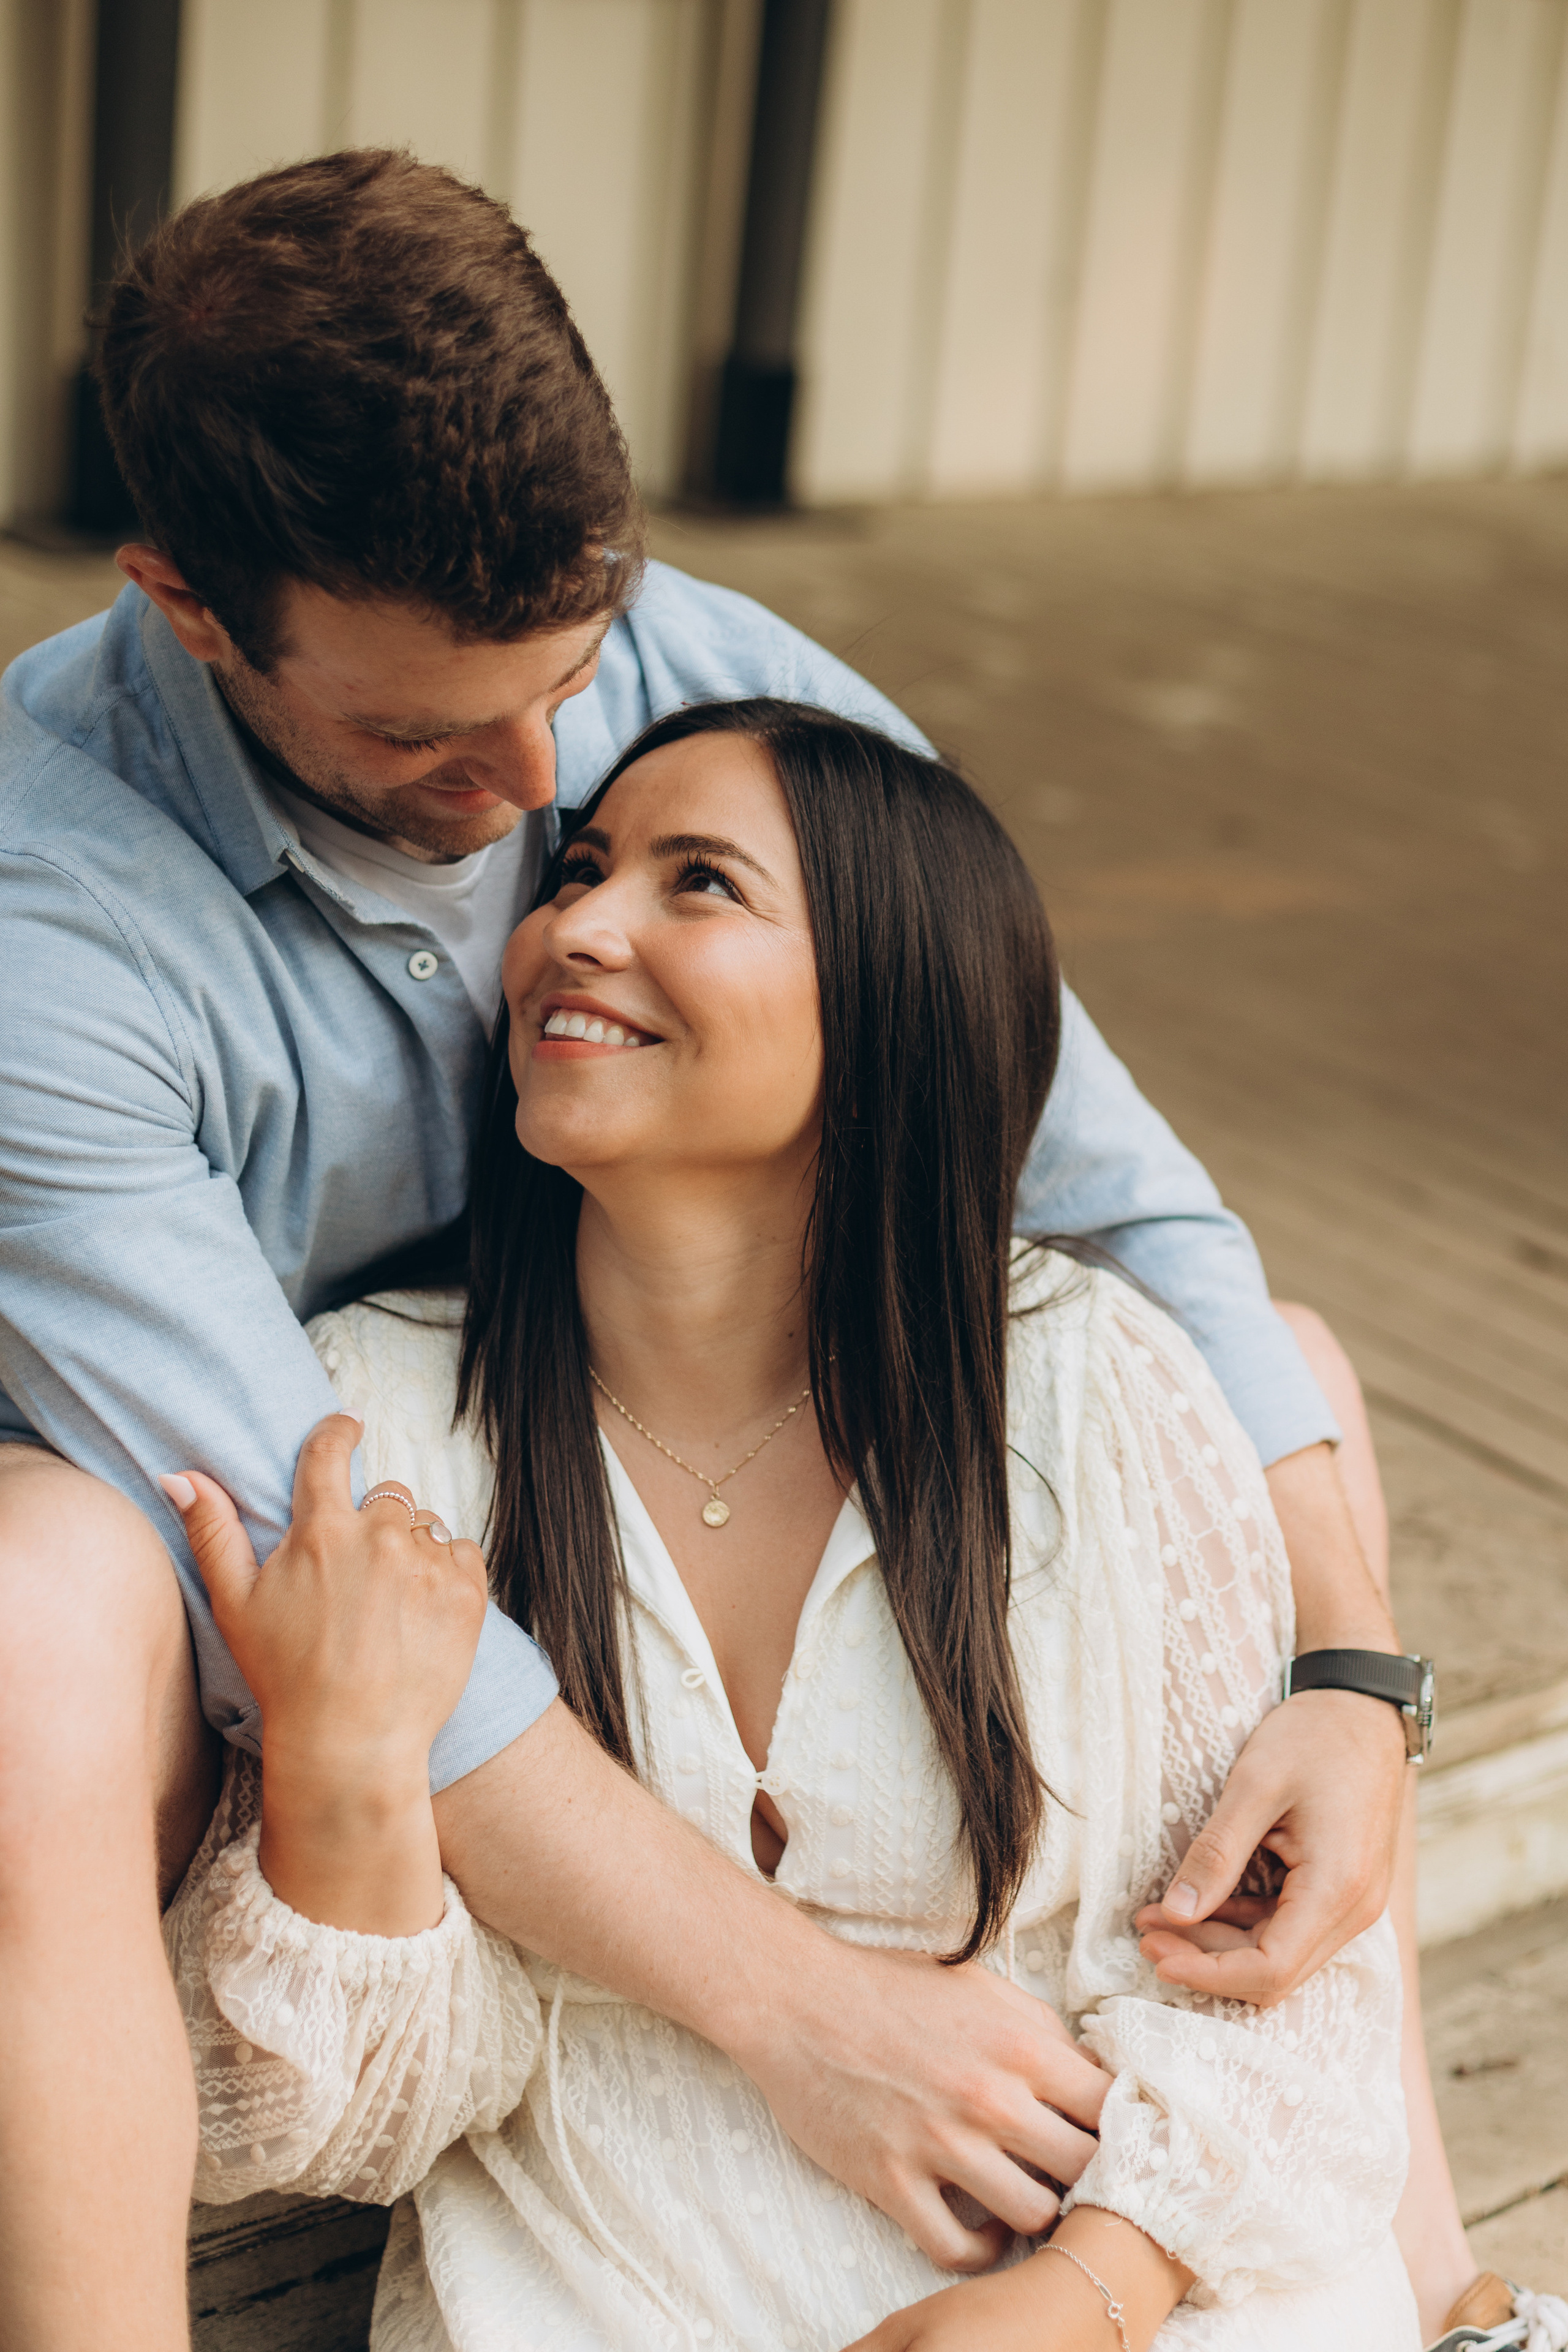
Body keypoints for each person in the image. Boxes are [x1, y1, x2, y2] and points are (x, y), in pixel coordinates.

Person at [0, 149, 1480, 2347]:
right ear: (192, 605)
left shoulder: (695, 667)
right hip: (273, 1552)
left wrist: (1353, 1678)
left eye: (573, 685)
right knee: (35, 1615)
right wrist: (806, 2010)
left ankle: (1443, 2291)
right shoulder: (46, 916)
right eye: (424, 732)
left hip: (672, 1404)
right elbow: (324, 1520)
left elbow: (1114, 1184)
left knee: (1276, 1362)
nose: (533, 792)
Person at [163, 700, 1422, 2350]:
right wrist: (337, 1769)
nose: (577, 927)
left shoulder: (1095, 1379)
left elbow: (1283, 1979)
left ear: (891, 1000)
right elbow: (338, 2128)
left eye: (700, 886)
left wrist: (1085, 2295)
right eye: (586, 869)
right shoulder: (371, 1420)